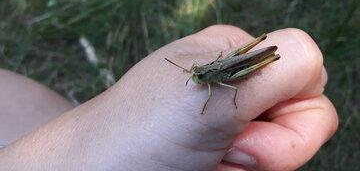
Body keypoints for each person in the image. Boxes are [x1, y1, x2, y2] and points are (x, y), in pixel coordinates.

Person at [0, 25, 338, 171]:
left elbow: (229, 87)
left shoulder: (213, 80)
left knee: (251, 63)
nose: (196, 79)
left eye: (198, 76)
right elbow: (195, 73)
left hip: (234, 68)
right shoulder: (199, 75)